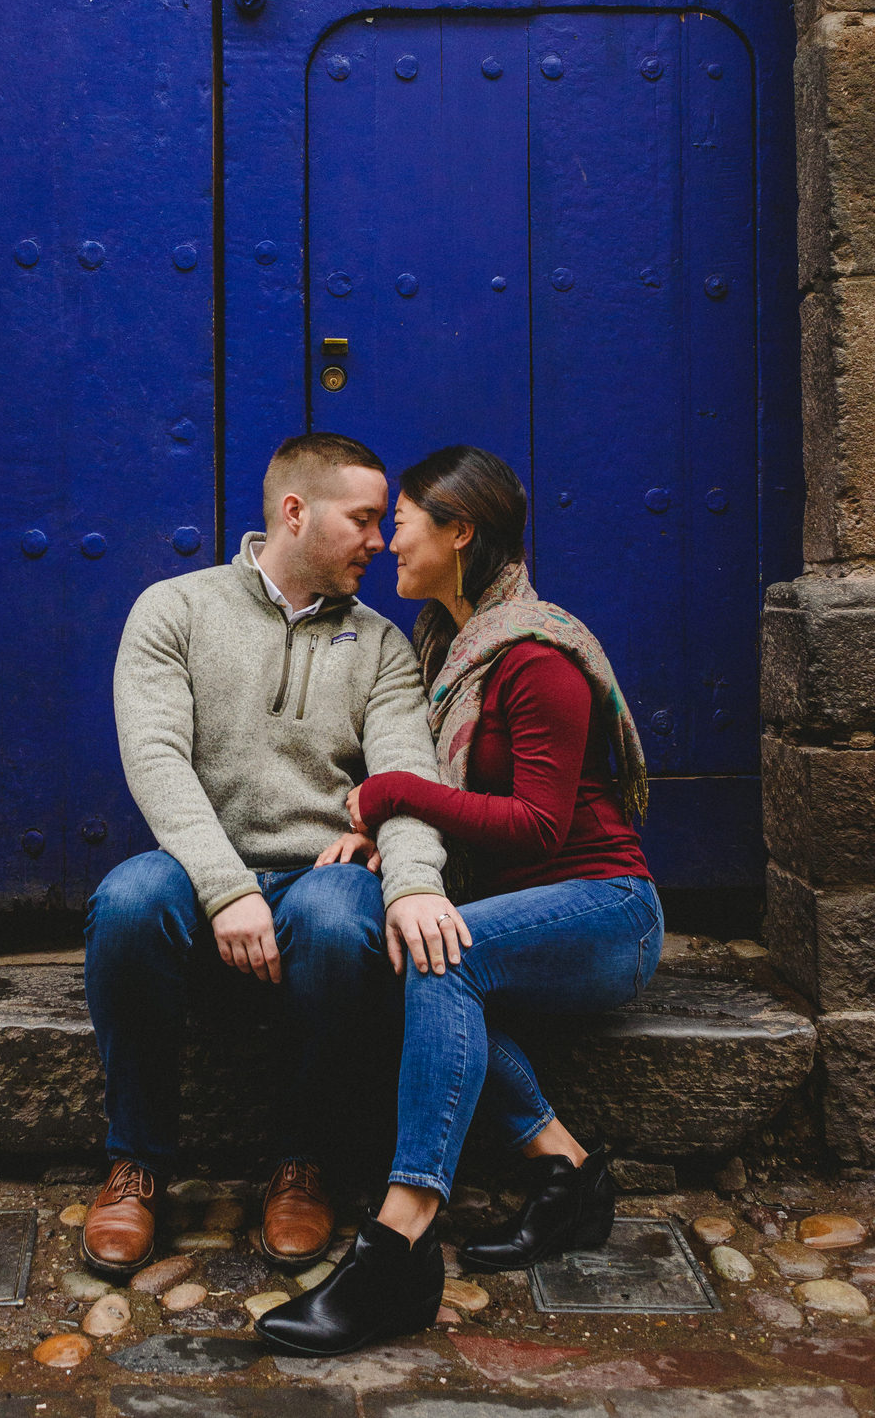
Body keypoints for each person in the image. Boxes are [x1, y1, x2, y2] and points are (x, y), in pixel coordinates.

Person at [258, 444, 663, 1357]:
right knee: (410, 955)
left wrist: (394, 796)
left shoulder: (534, 655)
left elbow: (538, 828)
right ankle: (566, 1174)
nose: (386, 541)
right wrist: (379, 836)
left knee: (444, 950)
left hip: (605, 910)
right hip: (525, 916)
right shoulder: (446, 648)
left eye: (400, 521)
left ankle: (400, 1244)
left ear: (459, 531)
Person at [81, 432, 470, 1280]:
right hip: (198, 867)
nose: (381, 540)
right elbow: (155, 757)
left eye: (382, 523)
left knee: (339, 921)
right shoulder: (175, 609)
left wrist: (410, 884)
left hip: (319, 873)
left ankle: (303, 1163)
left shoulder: (379, 646)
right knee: (125, 903)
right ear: (296, 512)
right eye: (364, 520)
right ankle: (136, 1162)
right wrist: (225, 890)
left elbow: (407, 780)